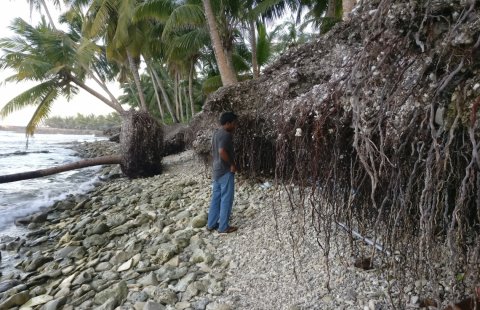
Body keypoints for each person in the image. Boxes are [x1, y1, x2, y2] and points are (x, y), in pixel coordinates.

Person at [207, 111, 238, 233]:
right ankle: (223, 227)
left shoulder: (216, 133)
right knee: (226, 198)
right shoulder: (226, 135)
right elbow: (221, 151)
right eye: (234, 123)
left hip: (216, 170)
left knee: (216, 198)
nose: (235, 126)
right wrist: (232, 165)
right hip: (225, 170)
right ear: (228, 123)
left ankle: (211, 224)